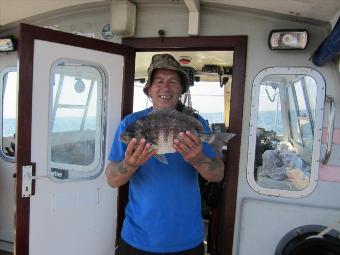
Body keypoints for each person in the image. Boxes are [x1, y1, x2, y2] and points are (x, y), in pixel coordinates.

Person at [105, 53, 225, 255]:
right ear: (149, 90)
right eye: (158, 82)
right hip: (137, 239)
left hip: (187, 240)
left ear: (180, 89)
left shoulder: (197, 123)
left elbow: (218, 174)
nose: (165, 88)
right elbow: (112, 179)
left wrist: (197, 158)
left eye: (172, 82)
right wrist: (130, 164)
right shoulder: (129, 125)